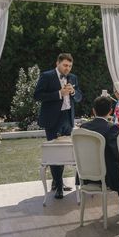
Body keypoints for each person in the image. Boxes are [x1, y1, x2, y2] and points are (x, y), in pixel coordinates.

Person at [34, 53, 83, 199]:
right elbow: (37, 95)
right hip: (52, 121)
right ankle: (59, 186)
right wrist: (58, 93)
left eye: (69, 66)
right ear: (58, 63)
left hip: (67, 119)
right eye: (65, 65)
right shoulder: (47, 76)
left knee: (66, 152)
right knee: (55, 154)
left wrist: (73, 91)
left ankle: (57, 182)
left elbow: (80, 97)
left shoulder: (73, 78)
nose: (67, 68)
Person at [81, 96, 119, 215]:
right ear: (110, 111)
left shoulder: (83, 128)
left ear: (93, 111)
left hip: (85, 176)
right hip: (107, 178)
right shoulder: (111, 128)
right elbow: (117, 153)